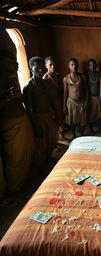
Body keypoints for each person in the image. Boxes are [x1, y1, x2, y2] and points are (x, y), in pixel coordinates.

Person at [0, 50, 35, 199]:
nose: (16, 64)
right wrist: (8, 97)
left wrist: (16, 96)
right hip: (10, 124)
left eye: (15, 61)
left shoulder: (12, 78)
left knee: (27, 151)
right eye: (11, 62)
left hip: (22, 119)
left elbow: (20, 98)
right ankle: (14, 188)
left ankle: (23, 181)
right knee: (15, 158)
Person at [23, 56, 57, 165]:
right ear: (30, 69)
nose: (41, 70)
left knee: (51, 140)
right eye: (37, 68)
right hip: (38, 119)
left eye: (42, 67)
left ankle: (48, 158)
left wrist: (55, 114)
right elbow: (29, 109)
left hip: (48, 116)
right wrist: (35, 125)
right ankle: (41, 165)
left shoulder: (47, 83)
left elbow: (51, 100)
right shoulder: (28, 87)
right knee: (40, 143)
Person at [63, 58, 89, 139]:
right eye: (72, 65)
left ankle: (81, 136)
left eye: (75, 65)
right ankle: (74, 136)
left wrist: (87, 101)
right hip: (71, 102)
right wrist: (64, 105)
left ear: (78, 66)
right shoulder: (66, 79)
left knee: (82, 120)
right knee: (72, 121)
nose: (74, 66)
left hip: (81, 102)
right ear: (69, 66)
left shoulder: (82, 77)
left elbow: (86, 90)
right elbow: (65, 93)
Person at [43, 56, 65, 140]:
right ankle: (57, 138)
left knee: (60, 117)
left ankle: (61, 134)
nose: (53, 67)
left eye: (54, 64)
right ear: (46, 66)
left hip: (58, 100)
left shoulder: (57, 76)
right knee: (54, 119)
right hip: (51, 102)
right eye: (50, 65)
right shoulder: (45, 78)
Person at [87, 58, 101, 134]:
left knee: (99, 113)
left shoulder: (99, 74)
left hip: (98, 97)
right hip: (90, 97)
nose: (92, 66)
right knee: (91, 113)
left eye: (93, 64)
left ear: (96, 65)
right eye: (90, 65)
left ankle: (98, 128)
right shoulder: (86, 75)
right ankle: (91, 129)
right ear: (88, 66)